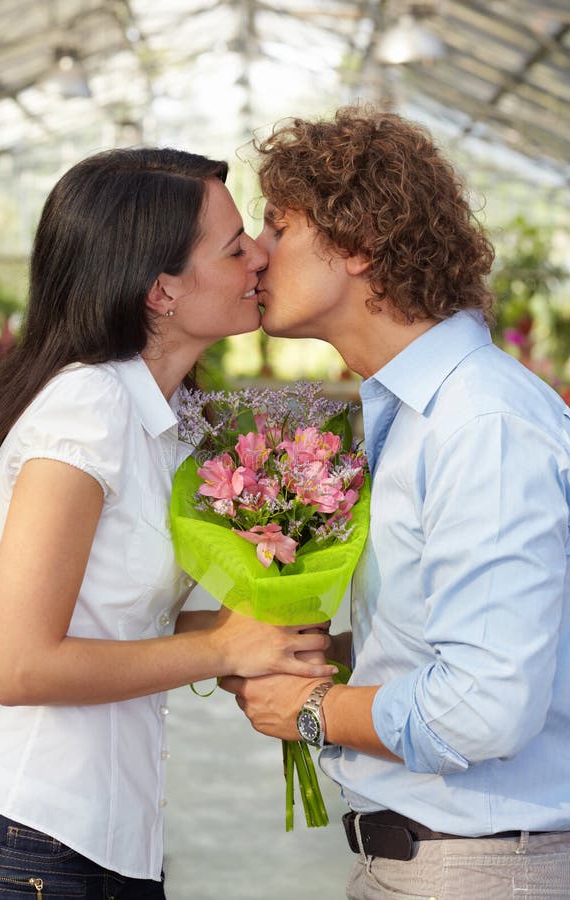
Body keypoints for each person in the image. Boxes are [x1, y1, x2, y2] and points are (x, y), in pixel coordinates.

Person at [222, 106, 570, 898]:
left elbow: (487, 708)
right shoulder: (417, 412)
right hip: (432, 860)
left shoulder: (480, 424)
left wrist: (312, 709)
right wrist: (343, 656)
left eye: (278, 225)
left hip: (479, 867)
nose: (257, 255)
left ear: (357, 242)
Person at [0, 147, 336, 899]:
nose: (260, 258)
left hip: (113, 838)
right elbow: (18, 667)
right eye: (236, 248)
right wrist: (225, 646)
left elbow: (125, 630)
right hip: (38, 838)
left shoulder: (163, 419)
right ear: (161, 290)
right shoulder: (88, 410)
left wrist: (271, 629)